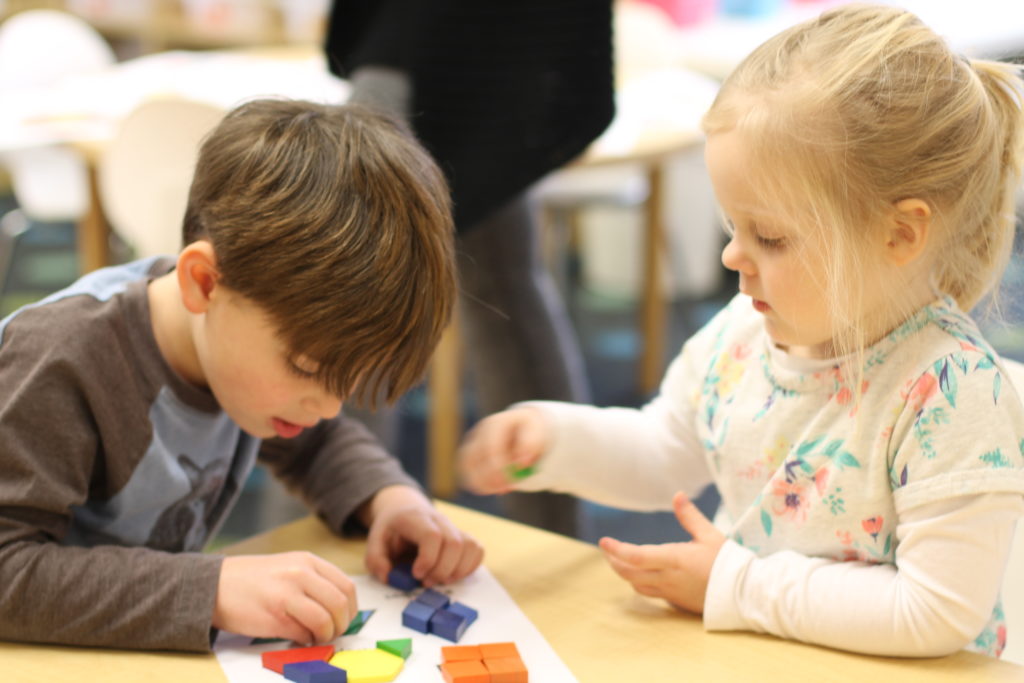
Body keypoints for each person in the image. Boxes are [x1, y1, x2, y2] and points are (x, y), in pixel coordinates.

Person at [459, 4, 1024, 658]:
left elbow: (934, 612)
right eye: (733, 227)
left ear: (899, 233)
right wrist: (556, 439)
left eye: (771, 237)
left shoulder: (952, 394)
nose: (732, 256)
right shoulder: (743, 333)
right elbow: (663, 453)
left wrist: (737, 585)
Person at [0, 99, 483, 652]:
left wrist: (390, 501)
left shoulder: (236, 354)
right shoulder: (61, 360)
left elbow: (316, 443)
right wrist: (210, 590)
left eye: (347, 381)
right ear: (204, 282)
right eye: (306, 368)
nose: (328, 406)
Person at [324, 0, 616, 535]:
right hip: (435, 45)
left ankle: (554, 537)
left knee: (372, 294)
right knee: (374, 295)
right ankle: (337, 526)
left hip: (478, 49)